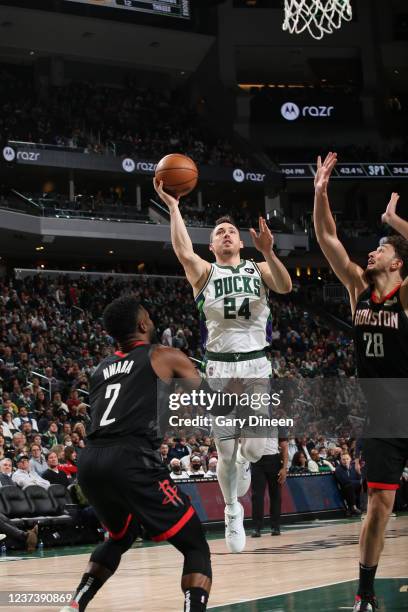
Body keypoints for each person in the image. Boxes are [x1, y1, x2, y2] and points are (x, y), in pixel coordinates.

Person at [154, 178, 292, 554]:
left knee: (253, 452)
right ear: (212, 245)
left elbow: (286, 286)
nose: (227, 234)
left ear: (241, 242)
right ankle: (233, 510)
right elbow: (183, 251)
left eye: (232, 230)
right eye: (219, 232)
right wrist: (174, 206)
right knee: (227, 452)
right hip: (219, 371)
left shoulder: (259, 269)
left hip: (256, 368)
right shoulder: (205, 273)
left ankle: (242, 473)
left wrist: (270, 252)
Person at [61, 296, 214, 612]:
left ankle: (74, 605)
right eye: (148, 316)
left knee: (121, 536)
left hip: (90, 462)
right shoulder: (163, 354)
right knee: (195, 544)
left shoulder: (100, 369)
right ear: (143, 324)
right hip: (130, 458)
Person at [314, 153, 408, 612]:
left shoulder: (405, 294)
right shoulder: (358, 288)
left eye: (381, 248)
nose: (373, 251)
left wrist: (396, 220)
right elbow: (328, 237)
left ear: (398, 263)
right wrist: (320, 193)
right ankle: (365, 594)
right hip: (382, 414)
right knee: (379, 507)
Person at [251, 437, 288, 537]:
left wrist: (284, 468)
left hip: (273, 460)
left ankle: (275, 526)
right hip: (256, 460)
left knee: (276, 494)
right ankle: (256, 527)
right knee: (257, 496)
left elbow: (284, 447)